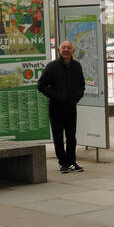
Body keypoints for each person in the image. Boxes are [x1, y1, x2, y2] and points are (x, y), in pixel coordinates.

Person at [39, 39, 85, 174]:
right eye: (63, 48)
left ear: (73, 51)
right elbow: (41, 85)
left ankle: (72, 162)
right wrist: (56, 96)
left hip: (71, 106)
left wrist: (77, 97)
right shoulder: (52, 66)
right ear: (59, 50)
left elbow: (82, 85)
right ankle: (62, 163)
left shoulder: (77, 66)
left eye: (69, 48)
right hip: (56, 107)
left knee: (71, 137)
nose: (66, 50)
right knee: (58, 137)